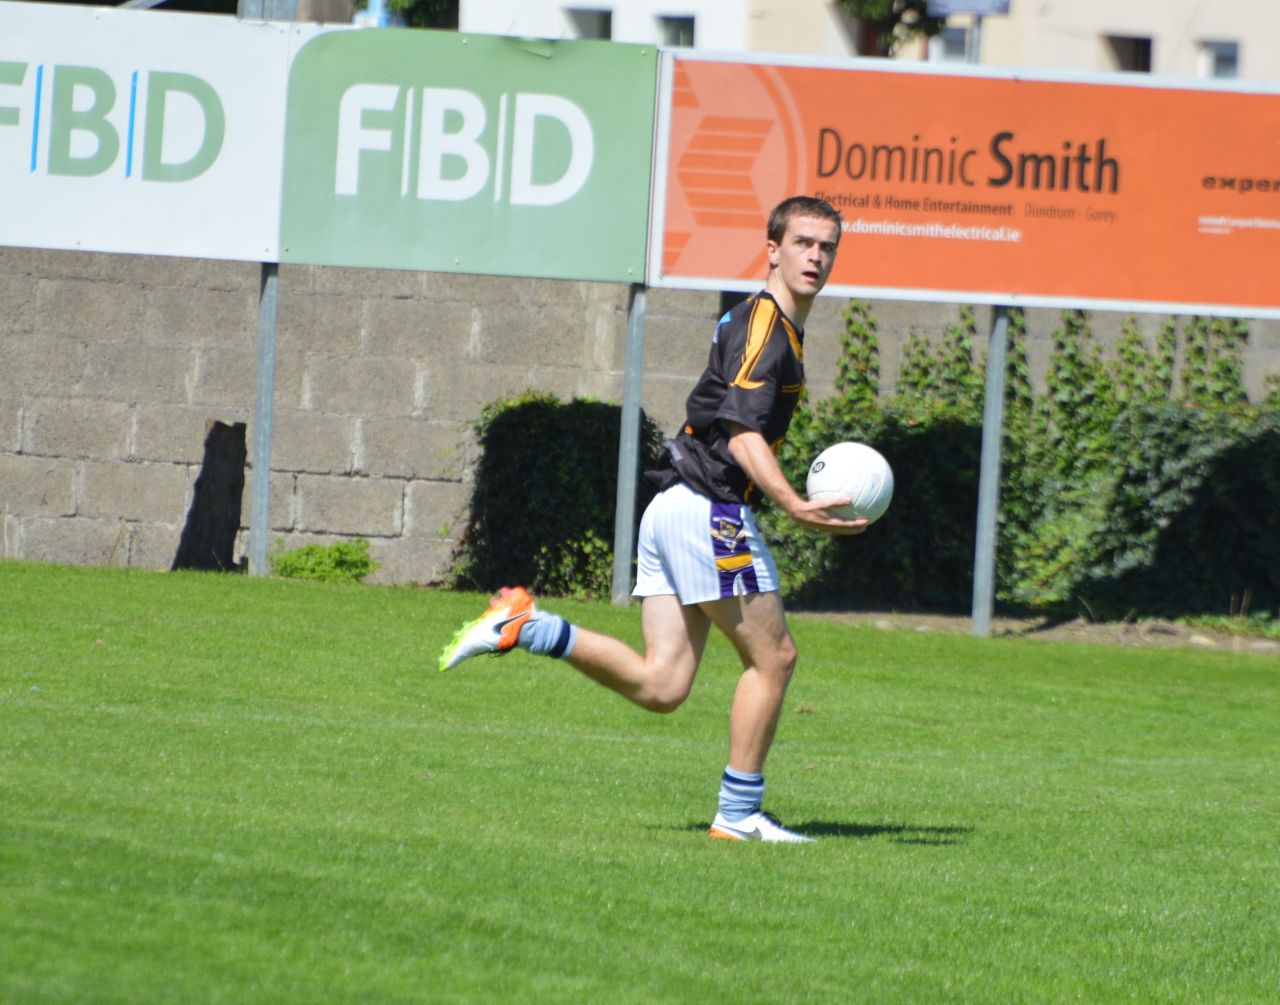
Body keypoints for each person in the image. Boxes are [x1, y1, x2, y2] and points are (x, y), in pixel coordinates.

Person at [439, 195, 866, 842]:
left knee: (663, 683)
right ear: (772, 249)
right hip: (709, 509)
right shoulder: (767, 329)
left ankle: (527, 624)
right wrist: (793, 503)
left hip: (672, 507)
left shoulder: (762, 323)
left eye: (826, 246)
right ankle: (740, 812)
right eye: (803, 242)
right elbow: (743, 434)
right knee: (774, 656)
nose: (816, 256)